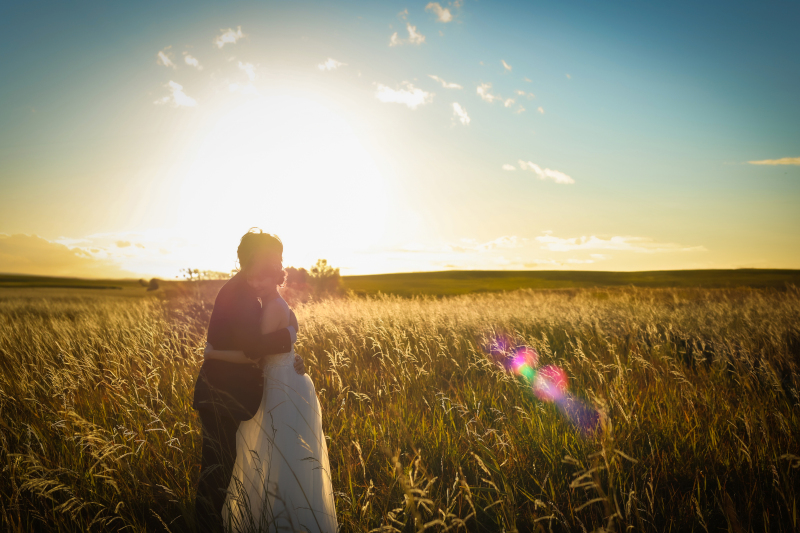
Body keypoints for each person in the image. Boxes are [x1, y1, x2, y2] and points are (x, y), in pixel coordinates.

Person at [204, 233, 337, 533]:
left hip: (279, 386)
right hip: (252, 388)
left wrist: (213, 354)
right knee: (262, 459)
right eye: (256, 273)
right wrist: (290, 338)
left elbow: (255, 354)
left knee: (280, 457)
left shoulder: (268, 303)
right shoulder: (244, 296)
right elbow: (267, 346)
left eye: (266, 274)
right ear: (248, 262)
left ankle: (281, 522)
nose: (256, 282)